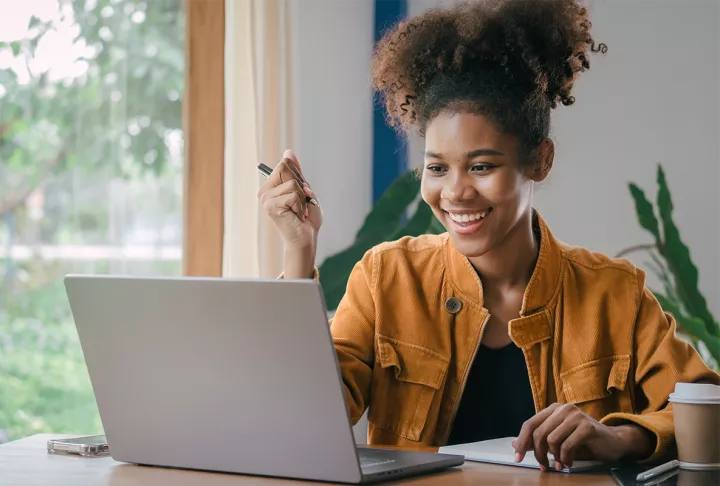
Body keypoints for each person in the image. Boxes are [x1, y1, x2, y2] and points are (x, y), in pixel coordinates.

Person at [257, 0, 720, 471]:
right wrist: (299, 252)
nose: (455, 192)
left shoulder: (616, 294)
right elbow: (300, 419)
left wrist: (619, 438)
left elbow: (707, 406)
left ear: (540, 160)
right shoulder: (386, 278)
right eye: (437, 167)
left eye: (481, 166)